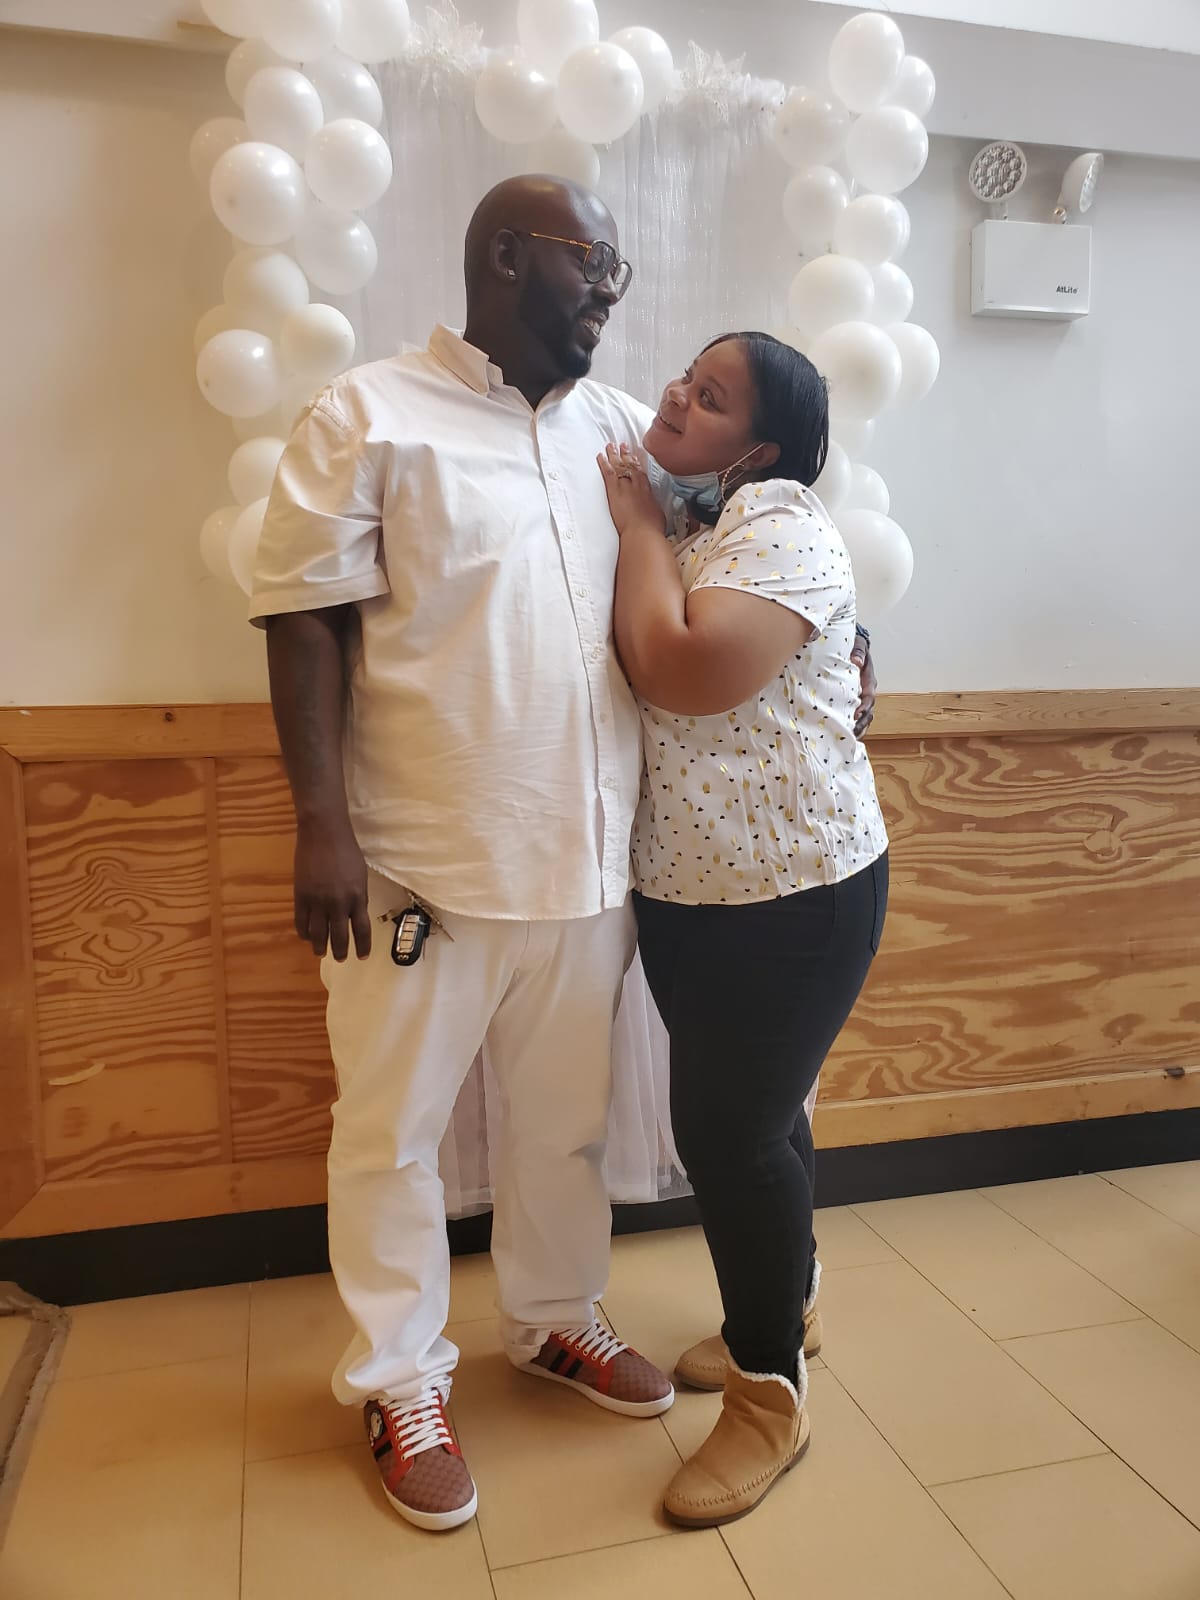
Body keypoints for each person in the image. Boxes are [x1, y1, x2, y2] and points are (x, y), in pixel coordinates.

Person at [250, 175, 876, 1534]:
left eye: (620, 270)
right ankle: (401, 1376)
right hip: (420, 861)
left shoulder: (616, 438)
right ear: (506, 256)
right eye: (592, 261)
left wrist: (857, 652)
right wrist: (320, 823)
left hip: (593, 866)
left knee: (564, 1128)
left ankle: (550, 1320)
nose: (613, 290)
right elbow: (300, 619)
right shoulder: (367, 415)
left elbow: (745, 548)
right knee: (393, 1134)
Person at [597, 330, 889, 1528]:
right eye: (685, 376)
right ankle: (793, 1297)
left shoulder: (781, 522)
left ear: (760, 447)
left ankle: (772, 1395)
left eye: (709, 397)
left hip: (799, 895)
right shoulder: (700, 526)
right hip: (697, 895)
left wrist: (630, 527)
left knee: (729, 1130)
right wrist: (650, 526)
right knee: (761, 1124)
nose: (676, 394)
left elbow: (678, 664)